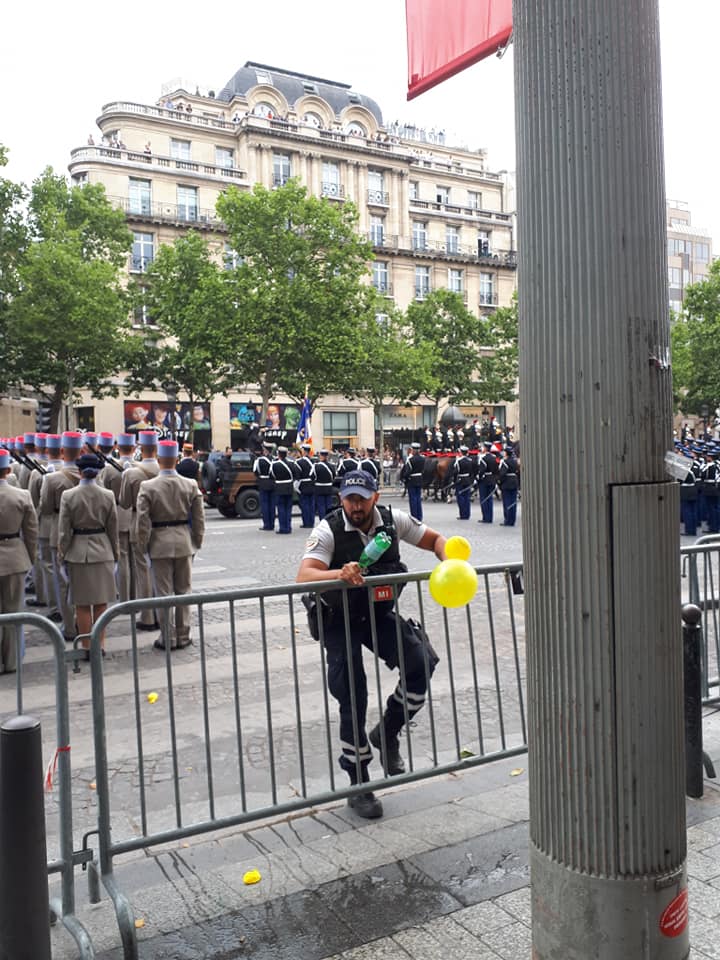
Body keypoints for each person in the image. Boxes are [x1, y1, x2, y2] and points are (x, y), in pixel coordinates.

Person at [297, 470, 446, 819]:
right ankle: (359, 784)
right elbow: (304, 575)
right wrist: (339, 573)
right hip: (338, 619)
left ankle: (387, 732)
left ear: (375, 497)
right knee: (352, 695)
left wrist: (450, 558)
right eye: (350, 498)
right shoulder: (328, 530)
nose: (356, 505)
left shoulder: (394, 522)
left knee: (421, 662)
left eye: (362, 498)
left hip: (376, 614)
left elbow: (435, 539)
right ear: (341, 498)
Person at [136, 440, 205, 650]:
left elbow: (142, 521)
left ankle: (167, 636)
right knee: (184, 591)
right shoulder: (190, 484)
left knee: (163, 593)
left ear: (158, 460)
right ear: (177, 460)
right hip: (183, 540)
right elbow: (199, 518)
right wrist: (197, 541)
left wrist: (142, 546)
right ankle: (183, 634)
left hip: (159, 542)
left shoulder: (148, 486)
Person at [57, 454, 119, 656]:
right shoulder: (108, 495)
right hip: (102, 549)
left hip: (78, 551)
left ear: (79, 471)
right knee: (101, 603)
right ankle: (99, 644)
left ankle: (85, 646)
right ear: (99, 471)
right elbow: (113, 529)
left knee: (82, 604)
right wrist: (116, 555)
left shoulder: (69, 495)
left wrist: (61, 555)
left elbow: (64, 532)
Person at [39, 431, 84, 642]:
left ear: (63, 451)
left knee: (63, 581)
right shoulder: (92, 476)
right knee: (84, 581)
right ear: (82, 451)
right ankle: (85, 623)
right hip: (85, 532)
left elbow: (45, 509)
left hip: (59, 531)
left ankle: (70, 626)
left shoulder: (51, 478)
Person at [0, 447, 38, 674]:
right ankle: (12, 661)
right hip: (15, 555)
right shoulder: (21, 495)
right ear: (8, 469)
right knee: (13, 611)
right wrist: (30, 558)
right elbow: (31, 532)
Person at [119, 430, 160, 632]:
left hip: (138, 521)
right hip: (161, 523)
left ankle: (148, 616)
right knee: (161, 572)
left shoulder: (132, 472)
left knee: (143, 570)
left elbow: (124, 502)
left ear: (140, 448)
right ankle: (163, 614)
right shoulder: (165, 468)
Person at [100, 432, 135, 602]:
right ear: (134, 448)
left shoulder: (109, 468)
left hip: (118, 515)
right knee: (137, 561)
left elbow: (104, 494)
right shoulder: (139, 467)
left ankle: (125, 598)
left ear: (118, 448)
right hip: (136, 515)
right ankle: (138, 596)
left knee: (122, 559)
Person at [270, 446, 298, 534]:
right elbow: (296, 474)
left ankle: (283, 528)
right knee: (288, 508)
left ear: (278, 454)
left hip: (279, 487)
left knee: (281, 508)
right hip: (289, 487)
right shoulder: (291, 463)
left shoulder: (274, 464)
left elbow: (271, 476)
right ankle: (288, 527)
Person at [400, 442, 425, 521]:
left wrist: (405, 478)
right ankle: (419, 516)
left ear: (413, 450)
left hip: (412, 480)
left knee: (413, 499)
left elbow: (408, 471)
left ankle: (414, 516)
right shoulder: (422, 459)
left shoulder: (410, 460)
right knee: (418, 498)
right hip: (419, 479)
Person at [253, 443, 275, 531]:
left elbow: (255, 472)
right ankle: (272, 524)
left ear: (265, 450)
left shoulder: (259, 460)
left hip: (263, 483)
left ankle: (267, 524)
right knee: (272, 505)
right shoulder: (274, 459)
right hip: (272, 483)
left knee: (265, 505)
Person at [498, 445, 520, 526]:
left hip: (507, 482)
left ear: (506, 453)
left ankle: (507, 520)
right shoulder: (515, 461)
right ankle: (512, 520)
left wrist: (500, 482)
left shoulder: (505, 462)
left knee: (507, 502)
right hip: (514, 481)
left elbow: (502, 474)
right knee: (513, 502)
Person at [477, 441, 499, 524]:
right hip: (492, 479)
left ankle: (486, 517)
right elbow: (496, 470)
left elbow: (481, 471)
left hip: (484, 480)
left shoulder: (483, 458)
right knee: (489, 499)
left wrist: (478, 478)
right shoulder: (493, 457)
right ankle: (490, 517)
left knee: (484, 499)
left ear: (485, 448)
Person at [451, 445, 476, 520]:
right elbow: (472, 472)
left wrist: (454, 481)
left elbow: (455, 472)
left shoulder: (459, 461)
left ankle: (463, 514)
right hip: (467, 480)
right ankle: (467, 514)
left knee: (460, 498)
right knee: (467, 498)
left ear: (461, 453)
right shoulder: (470, 461)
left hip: (460, 480)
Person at [296, 443, 316, 528]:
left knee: (305, 505)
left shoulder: (299, 462)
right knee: (311, 505)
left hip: (303, 485)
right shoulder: (314, 461)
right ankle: (311, 522)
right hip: (312, 484)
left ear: (304, 451)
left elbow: (297, 475)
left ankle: (306, 523)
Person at [312, 449, 336, 520]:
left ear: (321, 456)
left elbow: (312, 476)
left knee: (321, 506)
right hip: (328, 488)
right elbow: (334, 476)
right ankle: (329, 520)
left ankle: (322, 521)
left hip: (319, 488)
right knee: (328, 505)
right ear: (327, 456)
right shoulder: (332, 466)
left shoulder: (316, 466)